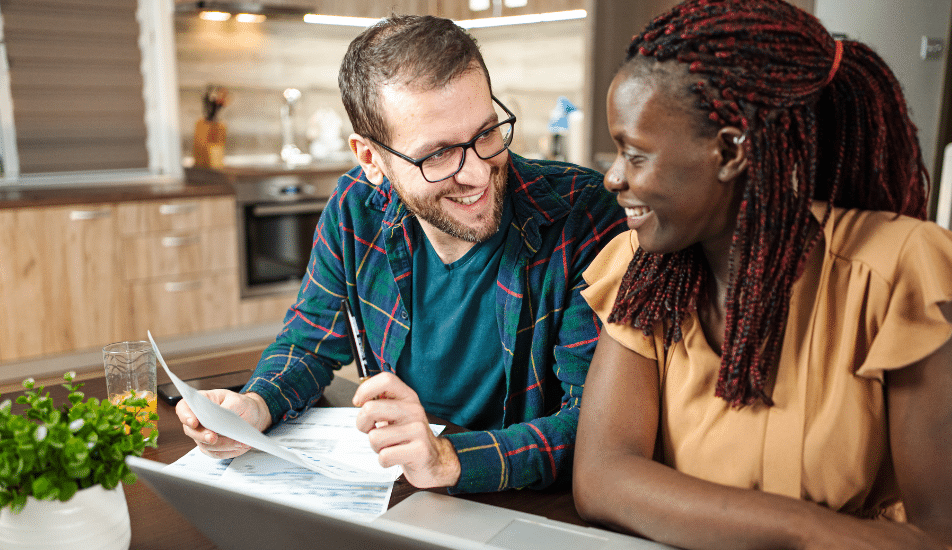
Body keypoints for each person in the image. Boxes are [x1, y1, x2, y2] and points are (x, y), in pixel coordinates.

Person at [176, 14, 626, 494]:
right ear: (371, 159)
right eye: (437, 155)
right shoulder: (355, 208)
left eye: (487, 134)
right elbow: (308, 344)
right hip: (405, 482)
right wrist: (257, 407)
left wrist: (448, 459)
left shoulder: (584, 215)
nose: (475, 173)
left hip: (521, 496)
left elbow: (596, 425)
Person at [574, 0, 952, 548]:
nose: (611, 178)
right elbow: (602, 478)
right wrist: (800, 528)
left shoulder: (898, 269)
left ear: (730, 150)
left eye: (634, 154)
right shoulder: (646, 267)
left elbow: (941, 532)